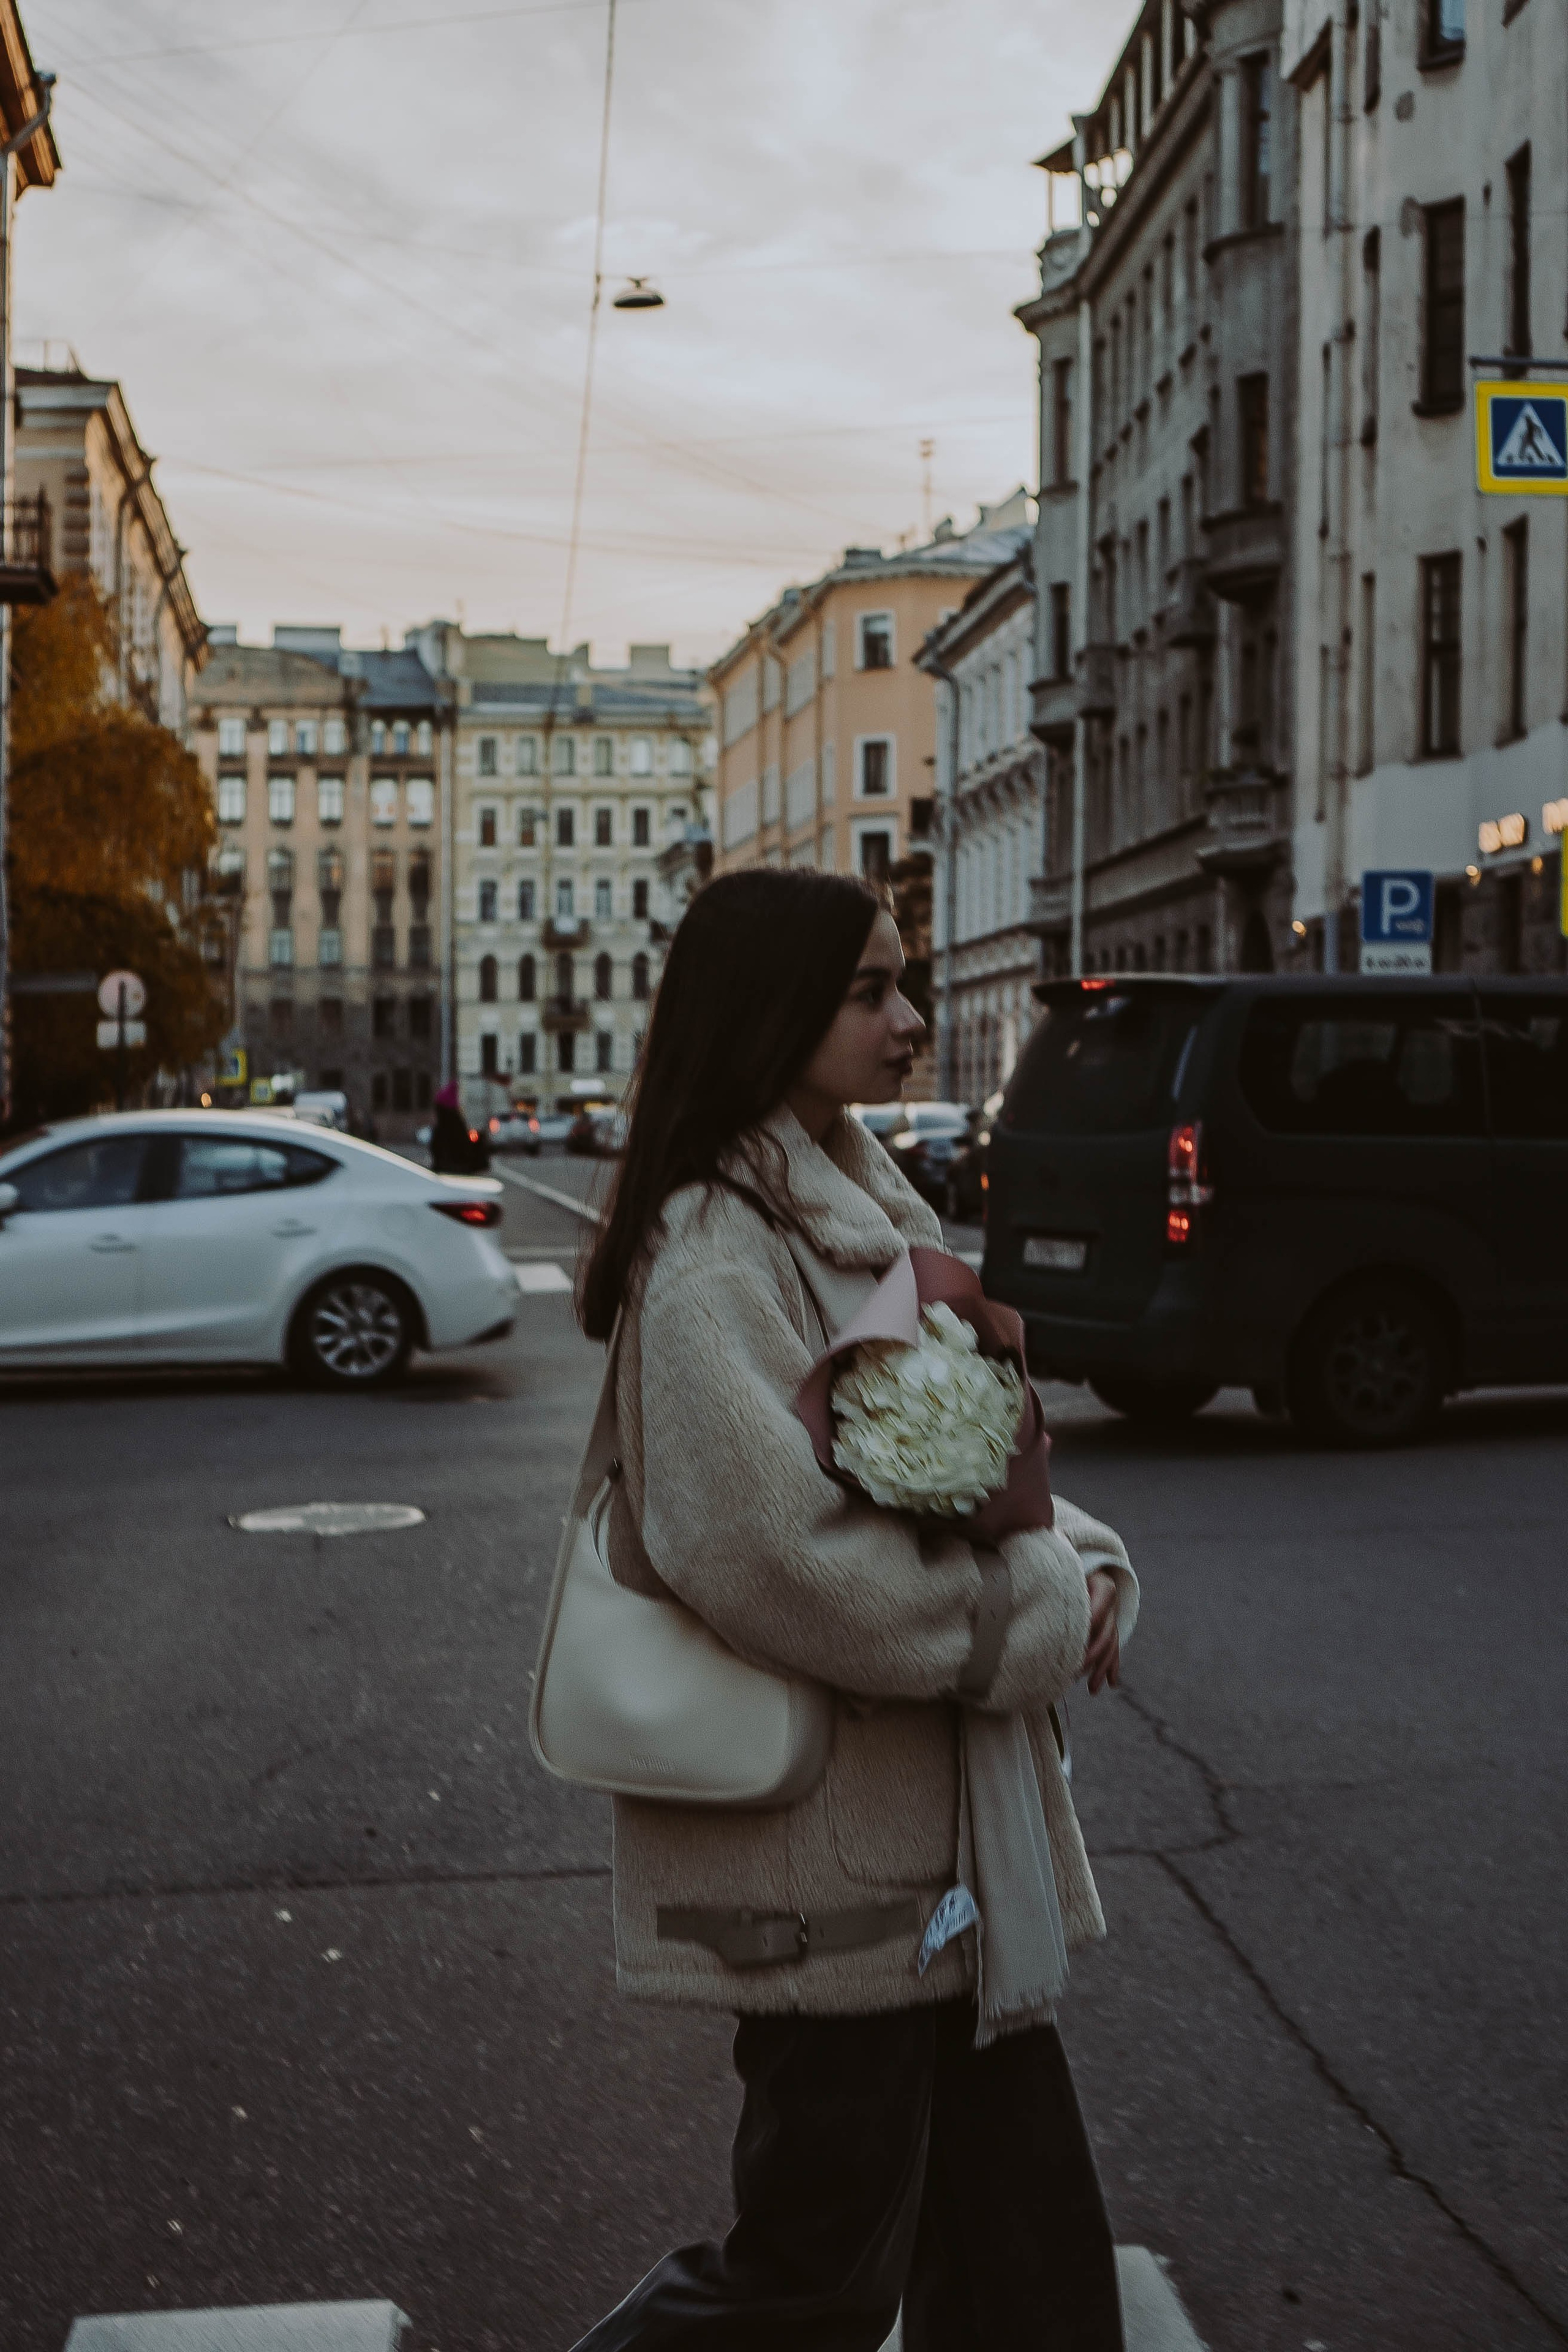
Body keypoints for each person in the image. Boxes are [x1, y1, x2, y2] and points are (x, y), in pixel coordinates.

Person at [570, 869, 1135, 2351]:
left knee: (1026, 2265)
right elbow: (769, 1551)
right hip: (834, 1871)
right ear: (771, 1012)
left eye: (905, 982)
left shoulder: (850, 1205)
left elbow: (955, 1466)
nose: (909, 1018)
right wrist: (1021, 1616)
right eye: (869, 990)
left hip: (937, 1863)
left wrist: (1080, 1556)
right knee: (807, 2279)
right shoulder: (714, 1250)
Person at [430, 1081, 484, 1174]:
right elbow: (463, 1144)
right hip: (457, 1167)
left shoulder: (442, 1126)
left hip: (447, 1167)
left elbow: (436, 1146)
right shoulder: (455, 1121)